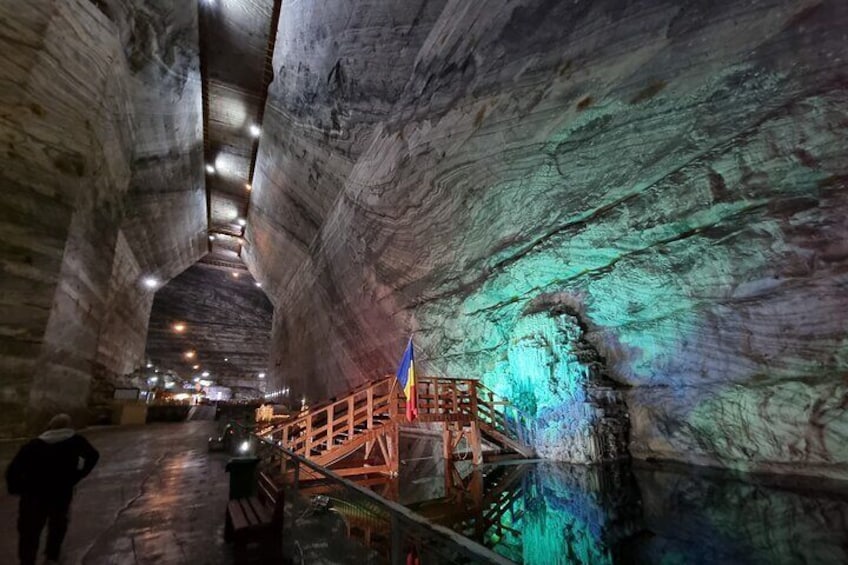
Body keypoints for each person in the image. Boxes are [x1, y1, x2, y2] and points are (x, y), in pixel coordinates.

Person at [4, 414, 100, 565]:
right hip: (61, 492)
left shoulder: (33, 445)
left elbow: (13, 470)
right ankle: (51, 556)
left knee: (30, 530)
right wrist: (77, 475)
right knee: (57, 525)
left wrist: (18, 488)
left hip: (33, 495)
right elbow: (93, 456)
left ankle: (27, 560)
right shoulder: (76, 441)